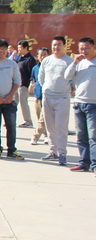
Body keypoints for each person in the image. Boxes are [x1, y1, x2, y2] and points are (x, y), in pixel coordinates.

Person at [38, 36, 74, 165]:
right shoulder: (46, 60)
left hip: (62, 98)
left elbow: (74, 81)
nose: (56, 47)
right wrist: (46, 89)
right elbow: (41, 78)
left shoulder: (69, 61)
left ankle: (62, 153)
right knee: (50, 127)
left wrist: (66, 91)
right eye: (54, 45)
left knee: (61, 127)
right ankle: (53, 151)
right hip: (47, 97)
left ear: (64, 46)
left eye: (59, 44)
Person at [64, 37, 96, 174]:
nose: (84, 51)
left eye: (87, 48)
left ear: (94, 47)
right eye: (81, 49)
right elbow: (67, 76)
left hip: (94, 104)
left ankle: (95, 165)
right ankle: (84, 163)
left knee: (93, 136)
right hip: (79, 103)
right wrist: (75, 62)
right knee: (81, 136)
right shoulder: (78, 63)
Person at [29, 47, 50, 146]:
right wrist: (31, 86)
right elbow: (33, 80)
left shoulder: (50, 67)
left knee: (42, 118)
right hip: (37, 95)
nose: (42, 57)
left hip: (48, 96)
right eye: (40, 55)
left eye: (44, 54)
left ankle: (35, 136)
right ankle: (46, 136)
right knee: (40, 119)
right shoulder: (35, 68)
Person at [15, 40, 36, 128]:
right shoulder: (20, 57)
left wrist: (31, 84)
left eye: (20, 48)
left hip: (24, 85)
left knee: (23, 103)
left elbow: (32, 73)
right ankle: (11, 119)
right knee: (13, 103)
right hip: (16, 84)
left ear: (25, 48)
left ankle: (28, 122)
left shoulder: (30, 59)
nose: (18, 49)